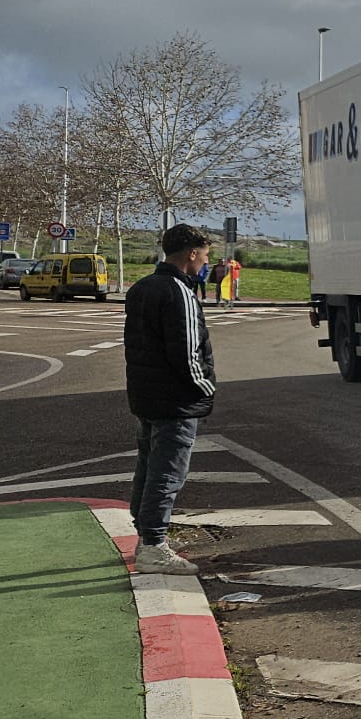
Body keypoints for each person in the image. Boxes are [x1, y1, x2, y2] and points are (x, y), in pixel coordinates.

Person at [123, 224, 216, 574]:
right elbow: (188, 351)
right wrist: (206, 388)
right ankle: (153, 545)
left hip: (146, 394)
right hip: (175, 399)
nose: (206, 262)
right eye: (205, 255)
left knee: (148, 466)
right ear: (191, 254)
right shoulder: (179, 291)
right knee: (168, 471)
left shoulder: (142, 288)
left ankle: (145, 535)